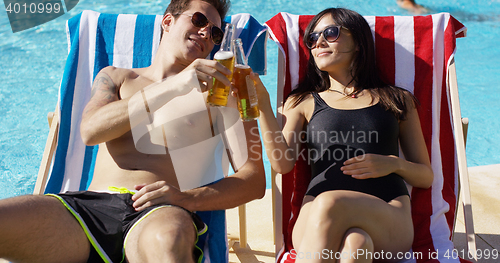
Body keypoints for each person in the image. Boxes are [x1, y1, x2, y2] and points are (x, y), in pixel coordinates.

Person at [0, 0, 265, 262]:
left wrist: (187, 199)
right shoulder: (116, 77)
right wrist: (174, 86)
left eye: (215, 33)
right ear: (168, 22)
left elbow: (254, 180)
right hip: (87, 211)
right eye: (198, 20)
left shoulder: (222, 96)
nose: (207, 33)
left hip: (158, 211)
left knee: (168, 244)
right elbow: (90, 131)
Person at [250, 7, 433, 262]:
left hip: (387, 215)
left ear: (358, 42)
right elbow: (282, 163)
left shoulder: (396, 100)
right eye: (312, 39)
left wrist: (393, 164)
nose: (319, 42)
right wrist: (263, 106)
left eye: (331, 33)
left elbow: (426, 176)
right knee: (356, 245)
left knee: (331, 203)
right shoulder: (302, 102)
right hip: (315, 217)